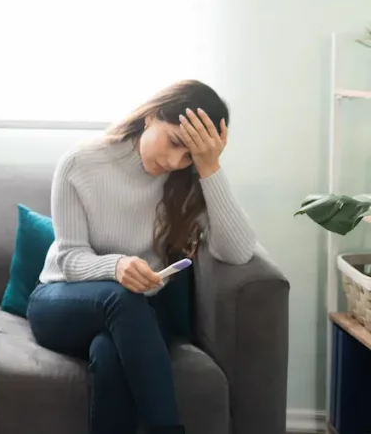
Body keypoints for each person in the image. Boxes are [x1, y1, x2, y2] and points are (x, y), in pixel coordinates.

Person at [26, 80, 256, 434]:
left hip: (137, 317)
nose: (174, 162)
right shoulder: (81, 163)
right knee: (121, 296)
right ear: (151, 117)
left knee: (110, 352)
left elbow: (238, 252)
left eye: (189, 156)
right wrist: (116, 266)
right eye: (175, 142)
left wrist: (209, 168)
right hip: (61, 302)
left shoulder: (189, 180)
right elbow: (70, 258)